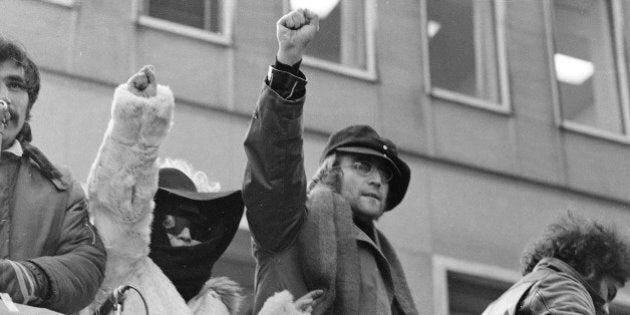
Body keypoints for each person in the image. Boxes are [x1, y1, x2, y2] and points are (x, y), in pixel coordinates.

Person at [242, 9, 419, 314]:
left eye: (385, 174)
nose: (377, 179)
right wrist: (287, 66)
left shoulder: (384, 260)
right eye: (363, 166)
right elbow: (274, 166)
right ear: (330, 171)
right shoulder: (290, 224)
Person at [86, 66, 245, 315]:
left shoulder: (214, 308)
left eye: (198, 225)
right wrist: (139, 117)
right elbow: (113, 199)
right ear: (154, 219)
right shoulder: (123, 268)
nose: (185, 234)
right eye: (175, 221)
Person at [0, 37, 107, 313]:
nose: (3, 97)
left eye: (14, 85)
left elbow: (88, 262)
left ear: (29, 104)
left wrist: (28, 278)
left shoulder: (60, 186)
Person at [482, 213, 630, 315]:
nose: (606, 309)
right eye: (610, 292)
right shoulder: (561, 286)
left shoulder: (496, 306)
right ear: (590, 268)